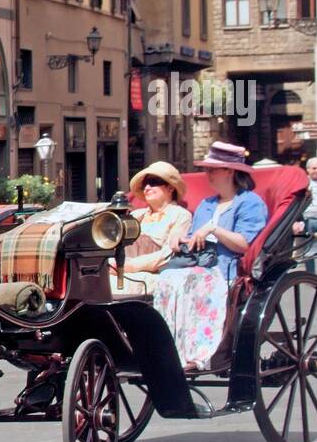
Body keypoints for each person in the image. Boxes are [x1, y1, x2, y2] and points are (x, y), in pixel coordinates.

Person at [152, 142, 269, 370]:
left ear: (230, 171)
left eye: (213, 169)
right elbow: (193, 236)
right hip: (198, 263)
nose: (208, 175)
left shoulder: (250, 203)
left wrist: (214, 229)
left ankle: (197, 353)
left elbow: (244, 244)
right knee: (166, 279)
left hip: (226, 268)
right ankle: (167, 349)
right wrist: (178, 237)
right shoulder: (207, 204)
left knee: (191, 282)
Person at [110, 161, 194, 295]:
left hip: (152, 275)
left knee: (119, 286)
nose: (147, 187)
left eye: (153, 181)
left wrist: (130, 266)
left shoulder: (181, 215)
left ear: (170, 188)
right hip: (118, 269)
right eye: (144, 184)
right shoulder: (136, 215)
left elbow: (168, 254)